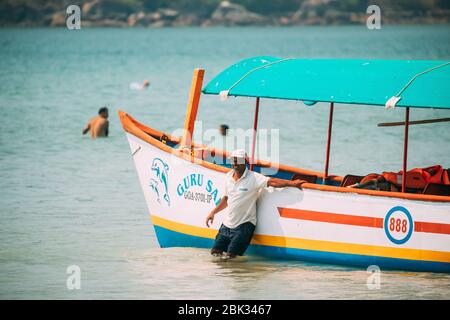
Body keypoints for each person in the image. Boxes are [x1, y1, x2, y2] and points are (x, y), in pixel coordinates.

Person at [205, 149, 306, 260]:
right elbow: (226, 198)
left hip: (243, 226)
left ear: (245, 161)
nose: (235, 163)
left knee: (230, 260)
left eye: (238, 160)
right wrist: (213, 212)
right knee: (214, 255)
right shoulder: (228, 176)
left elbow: (272, 182)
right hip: (226, 225)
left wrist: (292, 183)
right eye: (233, 160)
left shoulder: (254, 177)